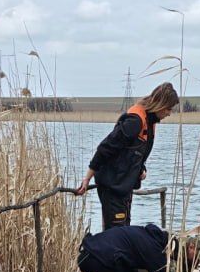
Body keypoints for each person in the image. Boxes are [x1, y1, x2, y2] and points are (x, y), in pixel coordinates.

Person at [75, 82, 180, 229]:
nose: (169, 113)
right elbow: (105, 148)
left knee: (123, 232)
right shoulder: (135, 121)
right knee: (116, 235)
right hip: (112, 185)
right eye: (169, 109)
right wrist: (87, 178)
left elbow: (133, 153)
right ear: (160, 105)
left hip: (123, 187)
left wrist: (141, 169)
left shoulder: (150, 121)